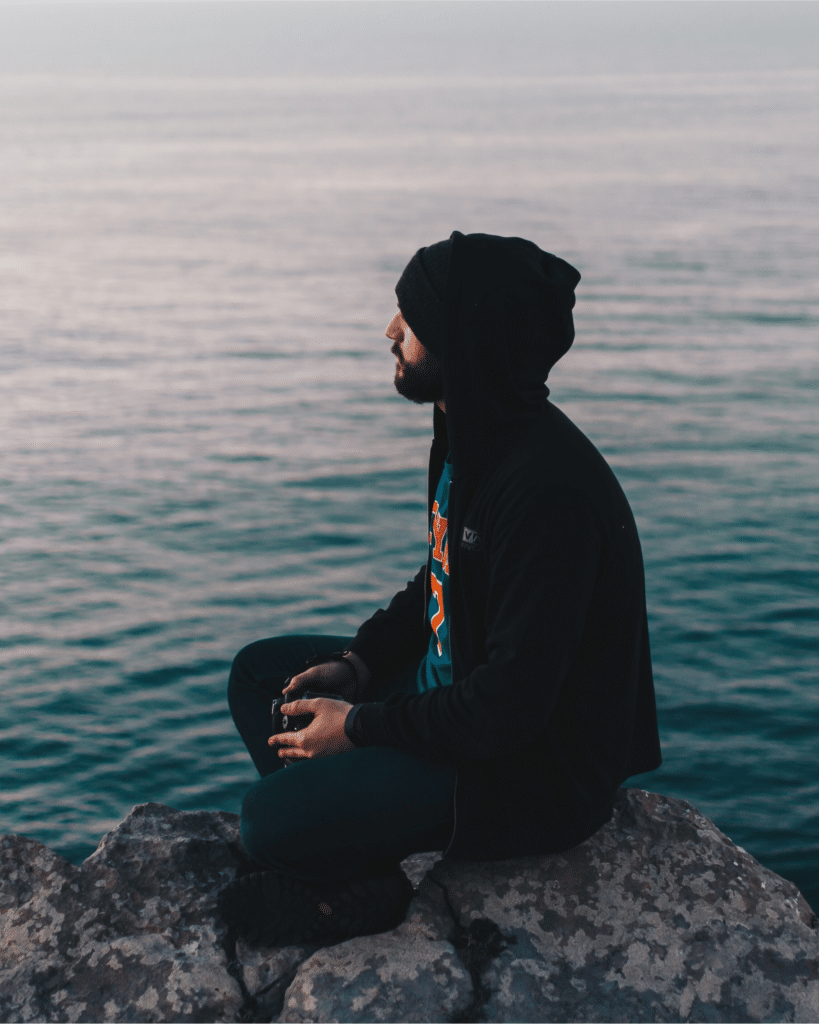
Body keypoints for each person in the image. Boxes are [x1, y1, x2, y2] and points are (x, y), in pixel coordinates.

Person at [218, 231, 661, 947]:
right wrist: (360, 665)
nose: (390, 331)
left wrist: (358, 728)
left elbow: (509, 711)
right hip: (455, 694)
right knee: (262, 675)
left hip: (521, 771)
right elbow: (442, 573)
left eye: (411, 316)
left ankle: (349, 872)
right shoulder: (471, 430)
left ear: (465, 338)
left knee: (265, 822)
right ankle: (347, 836)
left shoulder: (548, 493)